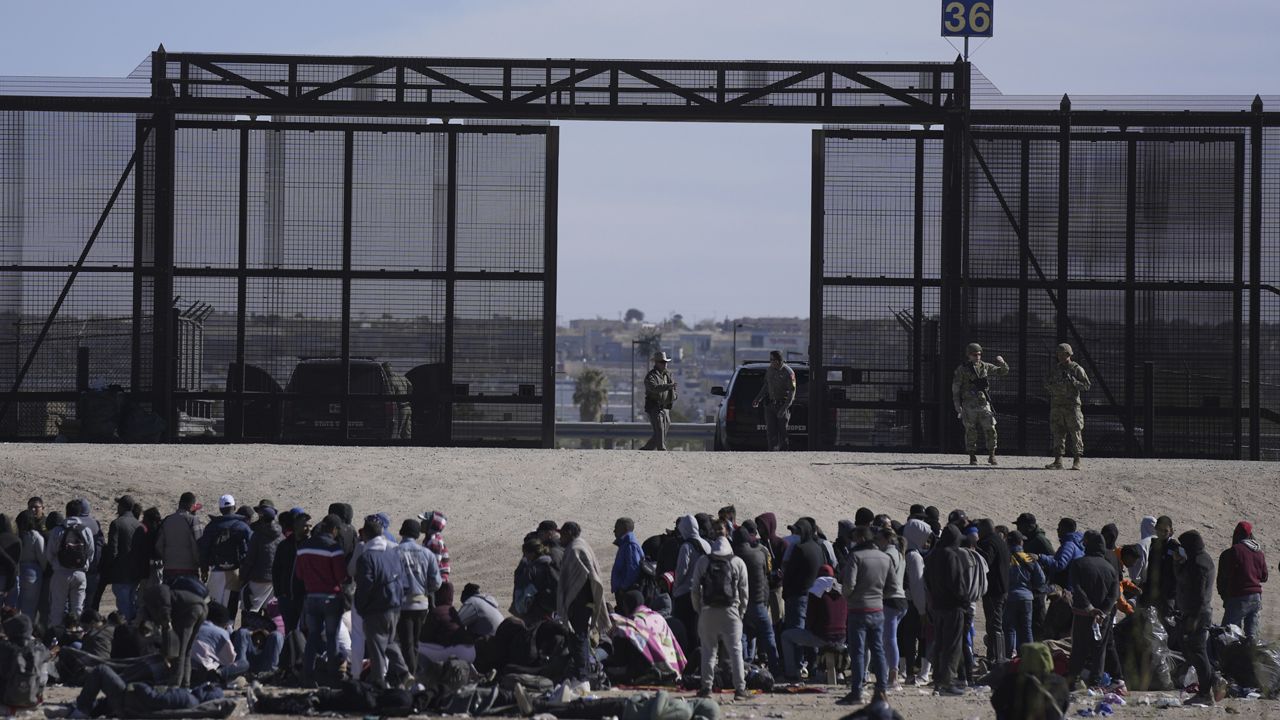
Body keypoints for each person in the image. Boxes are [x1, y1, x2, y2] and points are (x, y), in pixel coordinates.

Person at [690, 519, 750, 700]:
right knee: (736, 651)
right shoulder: (737, 562)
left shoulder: (703, 561)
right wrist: (740, 613)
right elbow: (744, 592)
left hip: (708, 611)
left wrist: (700, 610)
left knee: (709, 651)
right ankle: (740, 690)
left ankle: (706, 688)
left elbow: (694, 590)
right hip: (731, 611)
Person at [838, 525, 895, 706]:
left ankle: (857, 691)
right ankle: (881, 690)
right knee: (878, 650)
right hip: (877, 610)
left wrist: (848, 597)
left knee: (858, 652)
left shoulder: (856, 557)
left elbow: (848, 586)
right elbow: (892, 587)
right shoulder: (885, 558)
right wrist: (877, 597)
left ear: (861, 538)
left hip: (857, 610)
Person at [354, 517, 408, 690]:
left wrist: (360, 607)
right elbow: (402, 578)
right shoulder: (392, 552)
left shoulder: (366, 557)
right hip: (394, 606)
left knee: (376, 646)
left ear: (366, 535)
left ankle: (378, 681)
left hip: (376, 608)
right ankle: (404, 672)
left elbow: (365, 586)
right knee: (391, 642)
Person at [295, 514, 349, 685]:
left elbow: (299, 574)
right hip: (331, 598)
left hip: (311, 597)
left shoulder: (303, 547)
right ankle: (332, 677)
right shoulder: (334, 548)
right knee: (332, 638)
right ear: (333, 529)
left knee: (312, 637)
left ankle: (307, 676)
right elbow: (341, 576)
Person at [557, 521, 610, 693]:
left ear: (570, 533)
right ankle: (583, 676)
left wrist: (570, 602)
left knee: (578, 639)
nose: (560, 538)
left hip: (579, 604)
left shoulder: (574, 550)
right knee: (581, 639)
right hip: (585, 603)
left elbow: (579, 579)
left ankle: (582, 678)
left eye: (563, 534)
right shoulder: (580, 545)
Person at [1065, 531, 1118, 687]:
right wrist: (1103, 611)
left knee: (1079, 648)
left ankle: (1072, 681)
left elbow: (1077, 588)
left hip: (1083, 614)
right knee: (1099, 649)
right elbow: (1114, 594)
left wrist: (1089, 608)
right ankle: (1095, 682)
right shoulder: (1110, 568)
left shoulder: (1078, 564)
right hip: (1103, 617)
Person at [395, 518, 441, 678]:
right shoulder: (427, 553)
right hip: (421, 604)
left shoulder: (394, 551)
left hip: (402, 605)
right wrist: (425, 590)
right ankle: (412, 672)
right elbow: (436, 582)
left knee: (406, 642)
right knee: (415, 642)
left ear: (402, 532)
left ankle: (409, 674)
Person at [925, 524, 967, 696]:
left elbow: (926, 579)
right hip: (953, 606)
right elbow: (957, 584)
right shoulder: (951, 555)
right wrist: (964, 600)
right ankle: (947, 682)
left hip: (938, 606)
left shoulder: (933, 555)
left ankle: (937, 679)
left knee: (940, 643)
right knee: (952, 646)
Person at [951, 342, 1010, 465]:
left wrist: (1002, 362)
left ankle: (992, 455)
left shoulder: (985, 366)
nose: (977, 357)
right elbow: (956, 388)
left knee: (990, 429)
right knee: (970, 430)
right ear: (969, 355)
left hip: (983, 403)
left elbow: (1003, 372)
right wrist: (957, 405)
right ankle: (972, 456)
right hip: (969, 404)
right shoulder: (962, 369)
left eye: (979, 354)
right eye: (974, 354)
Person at [1176, 530, 1216, 706]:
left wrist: (1193, 618)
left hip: (1197, 614)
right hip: (1198, 612)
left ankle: (1206, 693)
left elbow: (1199, 595)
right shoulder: (1201, 559)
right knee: (1195, 651)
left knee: (1198, 652)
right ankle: (1212, 683)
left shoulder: (1198, 563)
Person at [198, 495, 252, 623]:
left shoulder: (212, 526)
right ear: (234, 507)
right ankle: (227, 633)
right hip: (234, 572)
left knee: (214, 607)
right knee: (231, 606)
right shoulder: (242, 526)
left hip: (216, 571)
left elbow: (204, 550)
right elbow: (250, 550)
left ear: (220, 509)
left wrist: (204, 569)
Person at [732, 524, 779, 673]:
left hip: (743, 604)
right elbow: (767, 576)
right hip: (760, 602)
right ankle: (775, 668)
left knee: (743, 636)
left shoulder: (735, 557)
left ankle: (745, 667)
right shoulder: (759, 554)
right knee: (768, 636)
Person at [46, 503, 97, 628]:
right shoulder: (86, 530)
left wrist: (56, 564)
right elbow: (91, 552)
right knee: (78, 609)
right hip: (80, 573)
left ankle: (55, 638)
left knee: (57, 609)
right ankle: (76, 635)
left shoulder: (58, 530)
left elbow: (50, 553)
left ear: (66, 512)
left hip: (61, 573)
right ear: (80, 514)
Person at [1217, 520, 1267, 642]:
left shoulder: (1235, 550)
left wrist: (1226, 596)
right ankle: (1251, 658)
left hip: (1239, 597)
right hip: (1256, 598)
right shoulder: (1259, 552)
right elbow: (1264, 577)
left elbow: (1227, 575)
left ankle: (1228, 659)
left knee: (1228, 634)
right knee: (1252, 637)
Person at [1043, 343, 1090, 470]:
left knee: (1075, 432)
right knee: (1058, 433)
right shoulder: (1055, 369)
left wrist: (1073, 381)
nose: (1059, 357)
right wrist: (1054, 387)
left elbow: (1086, 385)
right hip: (1057, 406)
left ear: (1068, 354)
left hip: (1072, 406)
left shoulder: (1076, 369)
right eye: (1058, 354)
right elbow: (1046, 383)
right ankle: (1058, 460)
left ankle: (1077, 460)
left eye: (1062, 354)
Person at [101, 495, 143, 622]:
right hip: (135, 573)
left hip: (120, 573)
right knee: (131, 603)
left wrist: (109, 569)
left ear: (122, 507)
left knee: (123, 607)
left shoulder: (117, 523)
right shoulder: (138, 525)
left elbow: (113, 551)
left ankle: (126, 634)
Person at [1003, 531, 1046, 655]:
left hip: (1010, 597)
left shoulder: (1005, 557)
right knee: (1027, 628)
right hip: (1027, 597)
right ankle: (1029, 657)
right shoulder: (1028, 557)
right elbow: (1041, 579)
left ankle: (1009, 656)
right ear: (1021, 542)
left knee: (1009, 628)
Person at [876, 526, 908, 688]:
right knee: (889, 638)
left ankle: (893, 677)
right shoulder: (898, 554)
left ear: (887, 539)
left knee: (889, 639)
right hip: (900, 600)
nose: (877, 541)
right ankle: (890, 674)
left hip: (891, 600)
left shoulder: (888, 554)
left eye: (879, 538)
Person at [976, 519, 1011, 663]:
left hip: (994, 590)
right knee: (996, 623)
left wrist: (975, 549)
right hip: (1003, 589)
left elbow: (986, 561)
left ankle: (996, 658)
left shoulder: (989, 542)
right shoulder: (1000, 541)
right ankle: (996, 656)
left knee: (994, 624)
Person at [240, 502, 281, 614]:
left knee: (250, 612)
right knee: (270, 613)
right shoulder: (280, 535)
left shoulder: (257, 534)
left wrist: (243, 577)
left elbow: (250, 559)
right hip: (273, 581)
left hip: (257, 579)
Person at [752, 350, 797, 451]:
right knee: (770, 431)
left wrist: (784, 409)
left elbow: (792, 393)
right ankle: (771, 452)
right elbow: (766, 386)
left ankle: (784, 453)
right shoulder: (770, 370)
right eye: (770, 360)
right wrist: (758, 398)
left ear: (778, 360)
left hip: (783, 404)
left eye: (772, 360)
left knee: (782, 431)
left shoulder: (788, 372)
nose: (771, 362)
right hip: (771, 405)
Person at [156, 492, 203, 583]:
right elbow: (198, 545)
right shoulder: (193, 520)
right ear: (192, 506)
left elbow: (159, 546)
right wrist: (199, 563)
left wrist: (166, 560)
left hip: (169, 570)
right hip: (189, 570)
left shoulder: (167, 520)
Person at [641, 350, 677, 451]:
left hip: (665, 407)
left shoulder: (668, 375)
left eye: (665, 362)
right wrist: (668, 386)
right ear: (656, 363)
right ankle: (662, 449)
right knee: (659, 429)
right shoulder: (651, 376)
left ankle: (647, 449)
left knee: (664, 429)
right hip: (654, 406)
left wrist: (674, 394)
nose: (665, 364)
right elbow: (654, 388)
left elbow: (672, 389)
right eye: (662, 362)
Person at [611, 517, 644, 599]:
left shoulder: (630, 545)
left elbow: (633, 570)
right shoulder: (625, 544)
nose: (614, 531)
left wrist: (623, 587)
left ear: (624, 529)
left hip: (626, 592)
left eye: (616, 528)